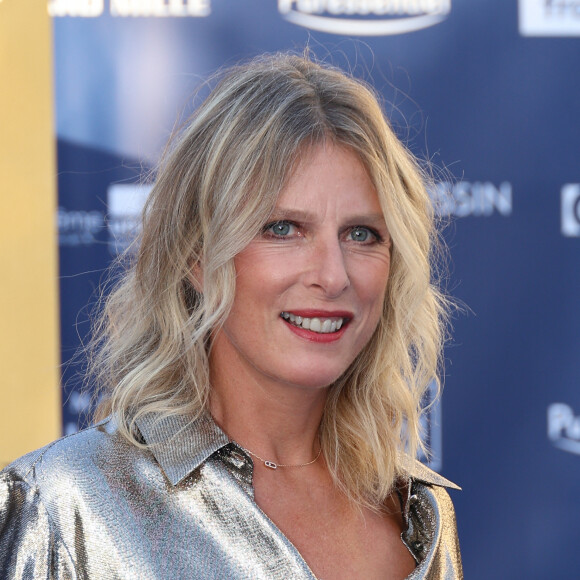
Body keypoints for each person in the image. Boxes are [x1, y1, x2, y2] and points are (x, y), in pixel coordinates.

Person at [0, 53, 462, 579]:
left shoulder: (420, 514)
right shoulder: (65, 505)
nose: (332, 276)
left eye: (362, 234)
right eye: (283, 228)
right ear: (197, 255)